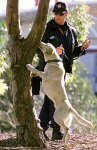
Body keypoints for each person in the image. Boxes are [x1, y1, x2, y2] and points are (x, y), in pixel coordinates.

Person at [32, 2, 91, 140]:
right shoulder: (47, 28)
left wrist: (81, 48)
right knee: (52, 100)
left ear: (66, 13)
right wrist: (54, 54)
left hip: (62, 71)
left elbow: (72, 53)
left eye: (60, 13)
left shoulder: (71, 30)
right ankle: (52, 130)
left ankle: (45, 129)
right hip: (49, 69)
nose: (57, 16)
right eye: (55, 13)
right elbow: (38, 49)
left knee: (53, 100)